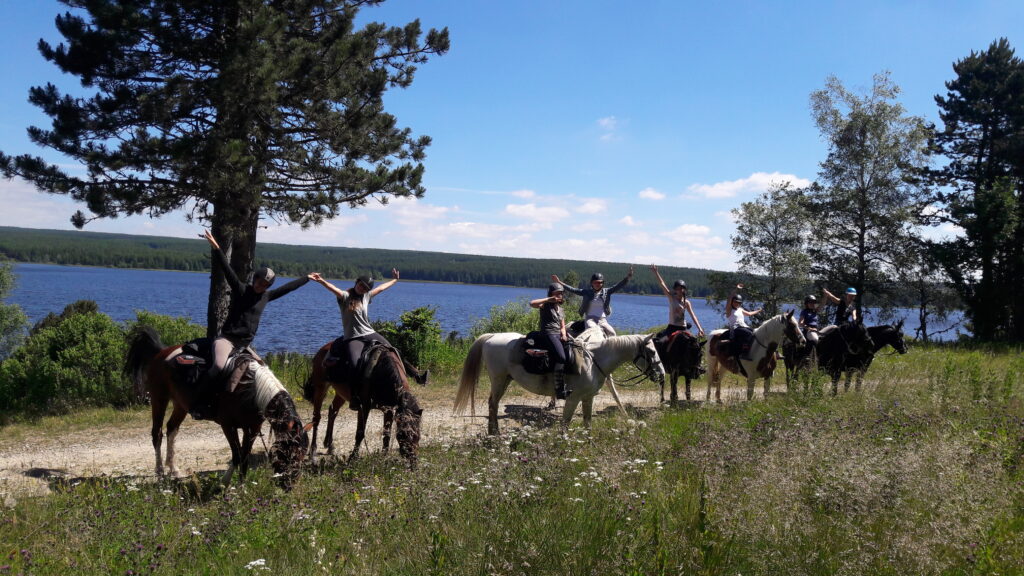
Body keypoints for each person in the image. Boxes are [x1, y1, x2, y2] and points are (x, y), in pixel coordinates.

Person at [196, 229, 314, 418]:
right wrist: (217, 248)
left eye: (266, 285)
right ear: (255, 278)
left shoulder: (266, 297)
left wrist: (307, 278)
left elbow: (287, 289)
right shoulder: (242, 290)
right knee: (218, 366)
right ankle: (199, 402)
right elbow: (228, 271)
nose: (261, 286)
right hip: (227, 340)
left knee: (262, 369)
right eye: (260, 282)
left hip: (244, 345)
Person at [309, 269, 429, 388]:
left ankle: (417, 376)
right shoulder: (345, 296)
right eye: (361, 285)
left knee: (393, 351)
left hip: (369, 333)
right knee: (355, 363)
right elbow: (333, 289)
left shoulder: (366, 297)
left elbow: (381, 288)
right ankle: (355, 394)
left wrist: (394, 280)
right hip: (353, 337)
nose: (362, 289)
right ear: (357, 282)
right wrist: (321, 281)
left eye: (365, 288)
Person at [551, 266, 633, 337]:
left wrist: (628, 277)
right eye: (595, 282)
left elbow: (618, 286)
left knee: (613, 334)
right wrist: (559, 282)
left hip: (602, 320)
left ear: (603, 283)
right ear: (592, 283)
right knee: (593, 331)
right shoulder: (586, 292)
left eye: (600, 282)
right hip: (590, 319)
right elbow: (573, 289)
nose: (598, 284)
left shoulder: (607, 292)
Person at [530, 283, 571, 399]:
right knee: (562, 357)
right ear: (551, 294)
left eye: (561, 293)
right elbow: (532, 303)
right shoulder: (545, 305)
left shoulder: (561, 309)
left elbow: (562, 325)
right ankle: (559, 390)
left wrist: (563, 333)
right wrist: (549, 299)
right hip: (548, 333)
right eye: (556, 293)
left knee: (573, 351)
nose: (559, 295)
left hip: (558, 334)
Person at [650, 264, 705, 338]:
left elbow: (693, 316)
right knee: (661, 341)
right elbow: (662, 284)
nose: (680, 290)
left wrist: (700, 328)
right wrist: (656, 273)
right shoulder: (671, 298)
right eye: (678, 289)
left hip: (683, 328)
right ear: (675, 290)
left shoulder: (687, 302)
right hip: (672, 327)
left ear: (684, 290)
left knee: (693, 343)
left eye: (681, 288)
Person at [725, 284, 762, 361]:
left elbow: (749, 314)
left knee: (756, 332)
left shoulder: (740, 309)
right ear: (732, 302)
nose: (737, 303)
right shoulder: (729, 310)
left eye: (738, 302)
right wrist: (736, 289)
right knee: (748, 333)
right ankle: (744, 353)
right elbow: (729, 298)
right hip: (735, 329)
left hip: (744, 327)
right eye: (735, 302)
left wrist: (758, 310)